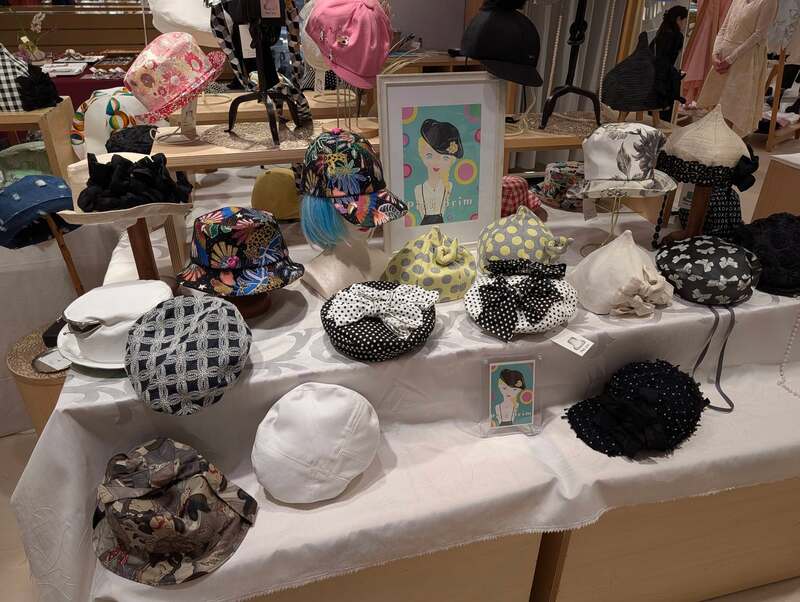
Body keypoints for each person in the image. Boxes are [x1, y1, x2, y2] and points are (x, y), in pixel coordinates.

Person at [697, 0, 778, 135]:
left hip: (746, 59)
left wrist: (731, 58)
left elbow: (758, 35)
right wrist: (715, 53)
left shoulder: (769, 2)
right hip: (724, 56)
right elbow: (724, 27)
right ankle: (716, 140)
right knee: (716, 104)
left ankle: (728, 142)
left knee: (733, 108)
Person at [414, 119, 463, 225]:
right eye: (430, 155)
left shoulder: (450, 187)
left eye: (445, 158)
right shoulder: (418, 189)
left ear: (451, 161)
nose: (436, 162)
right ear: (422, 155)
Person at [651, 5, 688, 118]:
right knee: (664, 112)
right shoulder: (677, 36)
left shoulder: (661, 33)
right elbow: (671, 59)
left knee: (653, 108)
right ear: (679, 19)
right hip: (665, 76)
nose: (685, 25)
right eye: (684, 21)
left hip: (653, 74)